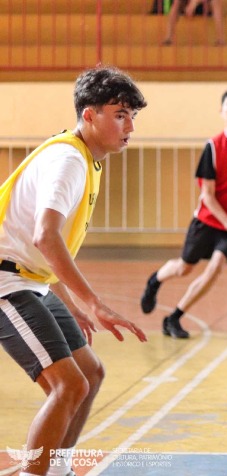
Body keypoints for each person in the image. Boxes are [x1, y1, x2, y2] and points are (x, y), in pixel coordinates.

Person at [0, 66, 148, 476]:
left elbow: (40, 250)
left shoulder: (86, 158)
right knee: (70, 386)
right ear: (88, 115)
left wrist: (69, 301)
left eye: (132, 115)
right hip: (5, 280)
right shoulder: (69, 160)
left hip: (29, 277)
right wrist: (93, 303)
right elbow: (45, 236)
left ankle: (58, 469)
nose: (130, 125)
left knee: (89, 372)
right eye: (120, 114)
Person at [139, 88, 227, 338]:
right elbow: (207, 197)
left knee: (216, 268)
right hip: (208, 221)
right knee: (184, 268)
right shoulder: (213, 147)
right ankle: (154, 280)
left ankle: (175, 317)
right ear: (222, 112)